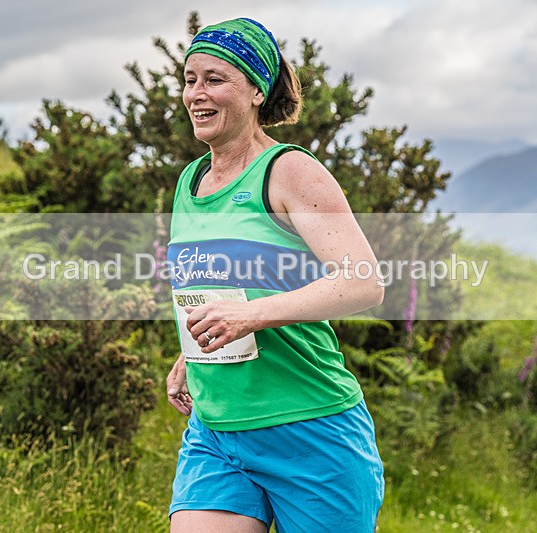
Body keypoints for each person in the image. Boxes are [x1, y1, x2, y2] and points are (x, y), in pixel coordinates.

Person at [165, 17, 385, 533]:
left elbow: (363, 282)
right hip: (217, 431)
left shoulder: (289, 171)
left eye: (215, 79)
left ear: (257, 91)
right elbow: (219, 287)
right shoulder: (190, 181)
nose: (197, 93)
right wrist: (192, 351)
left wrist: (250, 317)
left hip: (310, 430)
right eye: (190, 79)